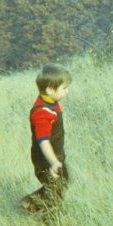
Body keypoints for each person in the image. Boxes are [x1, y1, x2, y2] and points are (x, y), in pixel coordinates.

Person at [21, 64, 72, 214]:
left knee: (61, 183)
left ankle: (29, 204)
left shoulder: (51, 102)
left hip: (55, 154)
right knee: (55, 188)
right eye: (64, 88)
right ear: (50, 90)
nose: (67, 91)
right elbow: (43, 141)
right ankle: (47, 219)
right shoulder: (42, 112)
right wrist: (53, 162)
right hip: (45, 158)